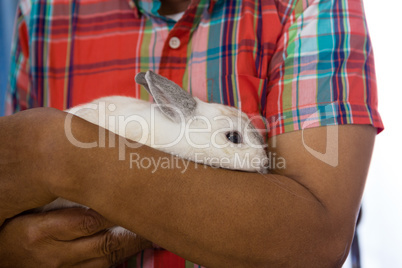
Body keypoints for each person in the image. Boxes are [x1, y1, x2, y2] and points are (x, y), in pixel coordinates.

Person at [0, 0, 383, 267]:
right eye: (234, 139)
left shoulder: (309, 6)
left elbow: (318, 241)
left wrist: (58, 154)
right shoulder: (41, 11)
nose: (261, 160)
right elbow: (13, 173)